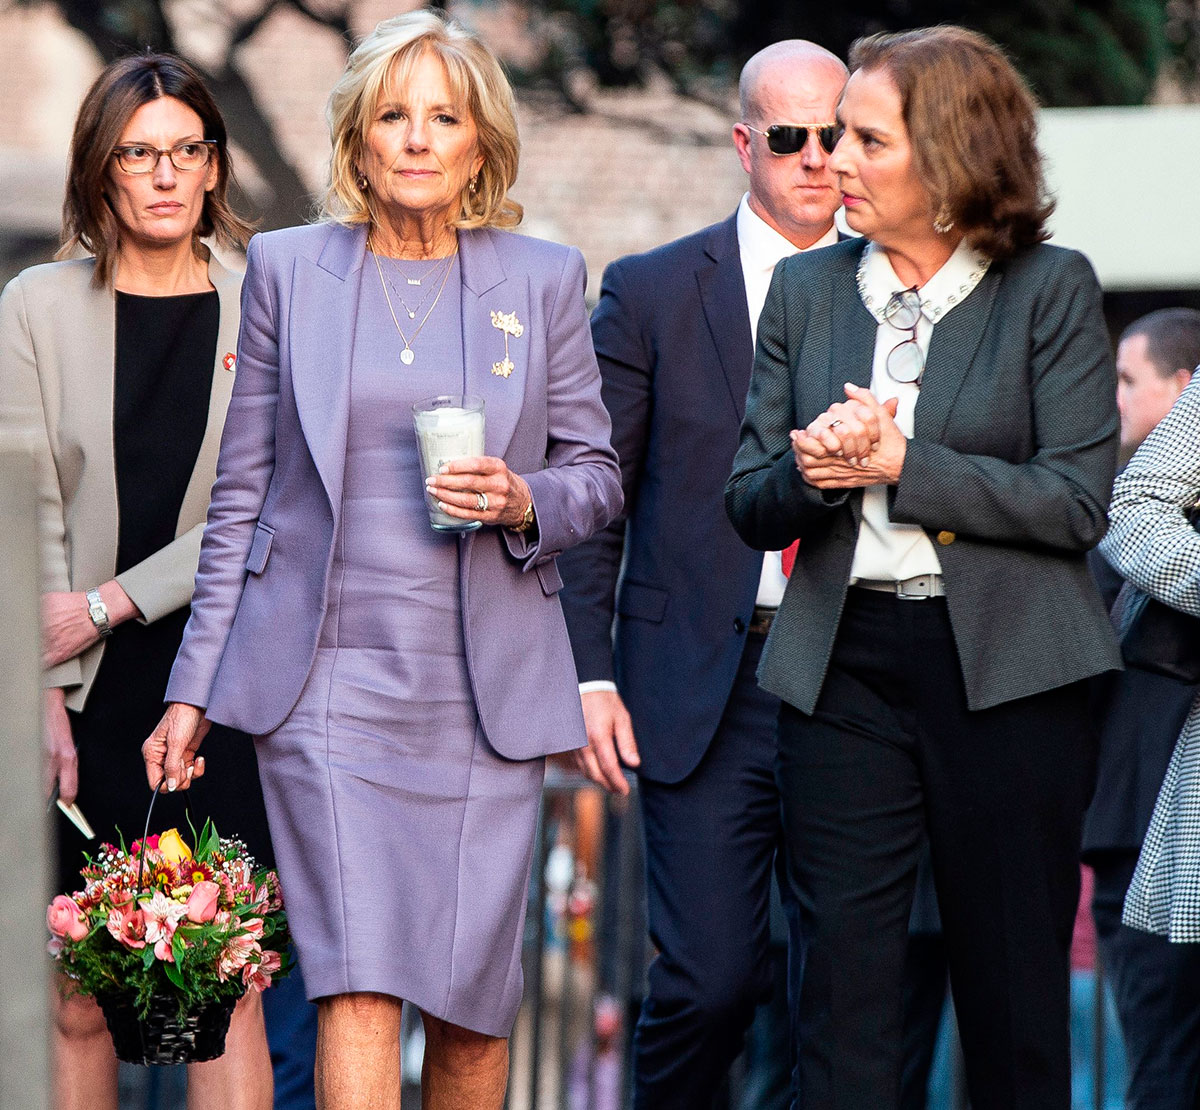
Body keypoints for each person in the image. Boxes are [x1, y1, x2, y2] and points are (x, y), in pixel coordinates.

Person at [140, 10, 622, 1109]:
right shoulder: (288, 270)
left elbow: (595, 475)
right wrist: (193, 692)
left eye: (442, 118)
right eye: (392, 116)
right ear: (358, 139)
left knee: (468, 1004)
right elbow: (241, 504)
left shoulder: (544, 277)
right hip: (325, 685)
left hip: (481, 696)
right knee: (354, 984)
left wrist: (521, 496)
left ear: (479, 145)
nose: (415, 138)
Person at [724, 25, 1121, 1110]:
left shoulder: (1050, 287)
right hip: (842, 667)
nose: (832, 161)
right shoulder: (805, 294)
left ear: (947, 157)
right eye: (832, 135)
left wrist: (908, 466)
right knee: (840, 996)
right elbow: (747, 501)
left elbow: (1076, 501)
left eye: (865, 137)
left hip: (1013, 677)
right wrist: (812, 472)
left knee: (1012, 999)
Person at [557, 40, 847, 1107]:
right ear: (744, 145)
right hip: (698, 690)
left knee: (841, 990)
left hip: (851, 674)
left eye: (837, 134)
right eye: (790, 137)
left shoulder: (896, 289)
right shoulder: (651, 291)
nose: (817, 158)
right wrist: (589, 679)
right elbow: (593, 504)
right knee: (711, 981)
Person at [0, 53, 275, 1110]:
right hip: (76, 681)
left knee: (219, 982)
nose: (165, 175)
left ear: (214, 166)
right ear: (101, 171)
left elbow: (266, 513)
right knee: (75, 988)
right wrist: (43, 696)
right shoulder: (35, 305)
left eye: (186, 150)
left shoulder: (268, 307)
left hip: (222, 675)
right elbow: (27, 506)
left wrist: (111, 602)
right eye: (138, 152)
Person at [1083, 309, 1200, 1110]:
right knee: (1166, 1055)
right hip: (1152, 818)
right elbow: (1141, 507)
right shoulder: (1129, 510)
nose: (1113, 401)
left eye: (1129, 381)